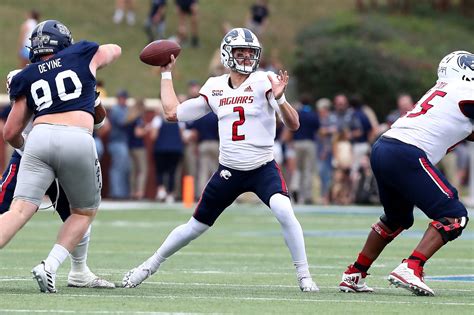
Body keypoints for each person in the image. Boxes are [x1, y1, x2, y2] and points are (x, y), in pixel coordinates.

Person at [123, 28, 319, 292]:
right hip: (229, 171)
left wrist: (281, 98)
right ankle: (148, 266)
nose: (248, 58)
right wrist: (166, 73)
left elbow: (293, 124)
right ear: (228, 55)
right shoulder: (214, 87)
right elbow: (172, 113)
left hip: (262, 167)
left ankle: (304, 276)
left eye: (251, 53)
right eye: (242, 53)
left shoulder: (265, 81)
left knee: (284, 211)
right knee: (194, 227)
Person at [339, 50, 474, 296]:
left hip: (384, 148)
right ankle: (412, 266)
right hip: (407, 152)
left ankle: (355, 273)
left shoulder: (445, 91)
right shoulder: (465, 90)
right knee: (454, 215)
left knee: (397, 218)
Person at [0, 20, 121, 293]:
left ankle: (80, 271)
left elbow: (10, 131)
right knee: (82, 212)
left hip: (35, 144)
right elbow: (113, 50)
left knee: (17, 211)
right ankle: (51, 266)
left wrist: (24, 146)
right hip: (73, 141)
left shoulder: (24, 76)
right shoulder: (81, 58)